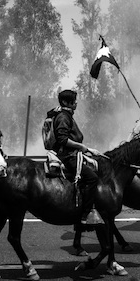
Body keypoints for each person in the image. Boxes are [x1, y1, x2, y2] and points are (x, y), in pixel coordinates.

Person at [47, 90, 103, 225]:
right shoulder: (63, 117)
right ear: (66, 102)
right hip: (69, 156)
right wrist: (83, 147)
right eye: (74, 100)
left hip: (73, 154)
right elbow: (63, 140)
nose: (76, 102)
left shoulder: (66, 115)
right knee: (92, 178)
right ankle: (86, 214)